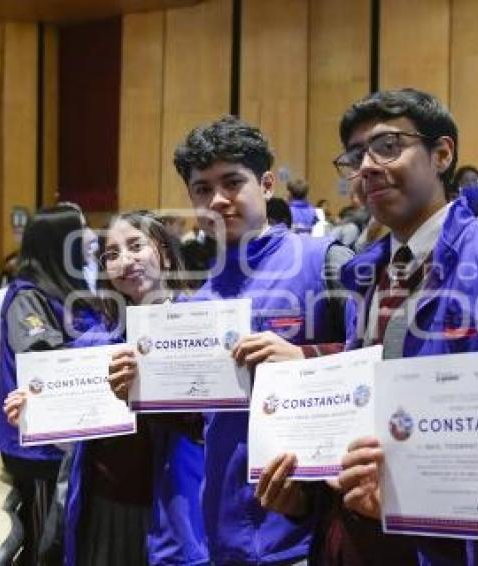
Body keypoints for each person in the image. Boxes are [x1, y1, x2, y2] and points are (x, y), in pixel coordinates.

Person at [256, 88, 478, 564]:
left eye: (388, 147)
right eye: (355, 155)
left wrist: (410, 495)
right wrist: (305, 499)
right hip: (352, 543)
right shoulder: (364, 275)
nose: (368, 165)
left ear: (442, 154)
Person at [110, 116, 352, 565]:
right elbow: (202, 423)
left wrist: (304, 356)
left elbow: (374, 364)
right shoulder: (199, 301)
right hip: (224, 534)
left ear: (265, 184)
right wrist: (144, 391)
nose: (218, 200)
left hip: (305, 533)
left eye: (232, 182)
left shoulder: (325, 262)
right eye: (202, 189)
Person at [5, 211, 208, 566]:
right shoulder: (95, 344)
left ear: (161, 250)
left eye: (135, 246)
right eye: (111, 255)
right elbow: (76, 442)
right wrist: (34, 415)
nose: (124, 261)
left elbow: (219, 426)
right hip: (107, 510)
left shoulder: (204, 323)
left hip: (182, 507)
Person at [0, 203, 97, 566]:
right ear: (61, 241)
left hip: (65, 438)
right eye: (82, 228)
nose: (91, 236)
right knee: (46, 544)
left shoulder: (67, 288)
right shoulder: (29, 295)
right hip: (39, 448)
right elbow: (47, 361)